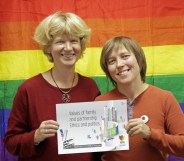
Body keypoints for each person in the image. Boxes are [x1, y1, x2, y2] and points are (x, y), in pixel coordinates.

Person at [4, 11, 101, 161]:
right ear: (48, 47)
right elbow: (10, 143)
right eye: (60, 42)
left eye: (74, 41)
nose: (68, 48)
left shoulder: (90, 87)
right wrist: (36, 136)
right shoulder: (28, 89)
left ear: (81, 45)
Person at [95, 36, 184, 161]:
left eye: (125, 56)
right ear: (107, 70)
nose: (119, 64)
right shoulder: (100, 102)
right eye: (111, 61)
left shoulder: (164, 98)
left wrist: (150, 133)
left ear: (139, 59)